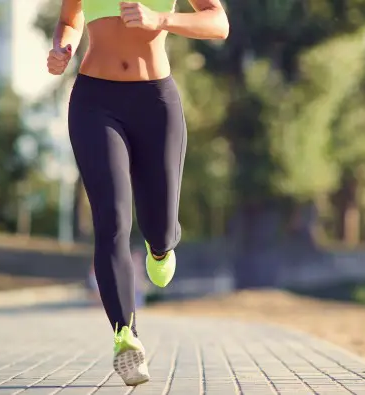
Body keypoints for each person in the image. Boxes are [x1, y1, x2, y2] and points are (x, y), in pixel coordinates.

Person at [46, 0, 229, 386]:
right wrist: (64, 47)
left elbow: (218, 22)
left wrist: (160, 19)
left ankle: (160, 246)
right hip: (95, 102)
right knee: (111, 219)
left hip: (155, 103)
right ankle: (125, 337)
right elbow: (69, 19)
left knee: (159, 226)